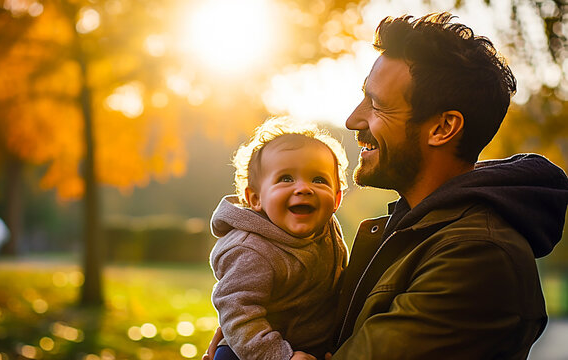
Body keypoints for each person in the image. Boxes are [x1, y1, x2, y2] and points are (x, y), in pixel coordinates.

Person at [204, 12, 568, 359]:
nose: (352, 119)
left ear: (443, 128)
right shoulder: (409, 230)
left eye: (376, 105)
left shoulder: (477, 258)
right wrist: (258, 335)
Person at [209, 117, 350, 360]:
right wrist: (279, 356)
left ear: (337, 199)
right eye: (286, 178)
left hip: (308, 344)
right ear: (255, 199)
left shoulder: (327, 228)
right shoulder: (252, 250)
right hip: (251, 351)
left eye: (319, 180)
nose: (304, 188)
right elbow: (237, 313)